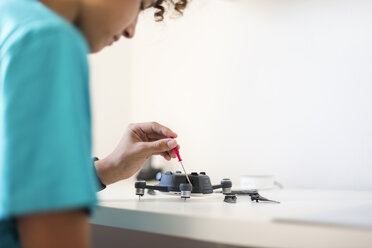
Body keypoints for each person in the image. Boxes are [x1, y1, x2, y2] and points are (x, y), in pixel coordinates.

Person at [0, 0, 188, 247]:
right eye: (141, 5)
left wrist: (108, 168)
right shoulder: (47, 39)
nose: (131, 31)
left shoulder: (9, 17)